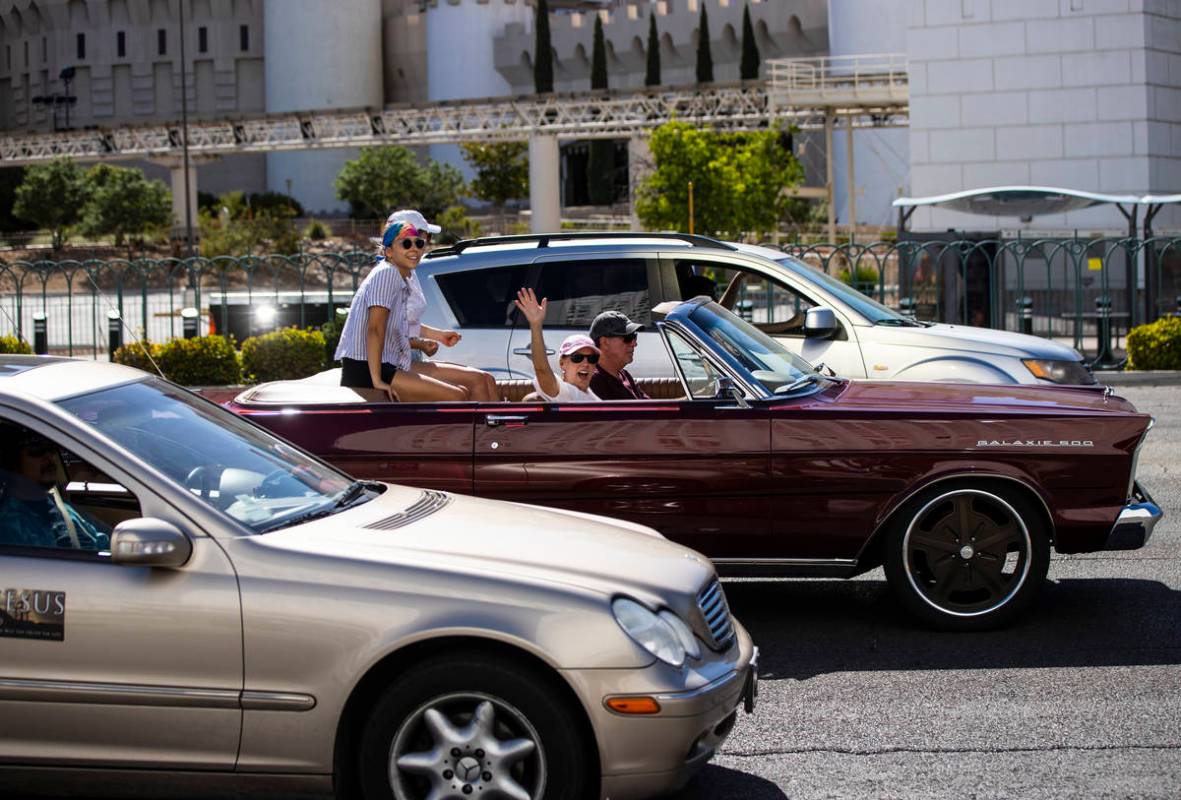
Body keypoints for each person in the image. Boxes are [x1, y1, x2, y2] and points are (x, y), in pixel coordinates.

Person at [334, 210, 489, 402]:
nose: (415, 248)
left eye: (419, 242)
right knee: (457, 396)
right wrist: (376, 380)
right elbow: (374, 328)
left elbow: (397, 325)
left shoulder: (401, 273)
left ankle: (492, 432)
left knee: (478, 383)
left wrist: (437, 336)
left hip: (386, 362)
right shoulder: (387, 274)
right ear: (389, 251)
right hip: (368, 367)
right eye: (406, 243)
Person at [387, 211, 498, 401]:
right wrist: (420, 343)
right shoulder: (389, 275)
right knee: (477, 382)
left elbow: (404, 322)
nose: (425, 244)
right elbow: (385, 330)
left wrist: (438, 335)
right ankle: (484, 431)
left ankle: (497, 431)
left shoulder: (406, 272)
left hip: (406, 360)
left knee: (486, 379)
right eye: (425, 237)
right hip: (393, 364)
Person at [0, 426, 110, 551]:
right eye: (37, 451)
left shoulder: (60, 507)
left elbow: (98, 543)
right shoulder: (8, 525)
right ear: (12, 462)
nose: (49, 458)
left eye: (51, 450)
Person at [514, 287, 601, 402]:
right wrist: (536, 325)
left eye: (592, 358)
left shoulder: (594, 399)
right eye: (577, 358)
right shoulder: (564, 392)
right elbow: (542, 370)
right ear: (562, 363)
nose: (585, 363)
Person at [588, 309, 650, 400]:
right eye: (628, 337)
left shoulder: (624, 375)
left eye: (634, 336)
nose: (634, 344)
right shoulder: (593, 382)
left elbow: (650, 407)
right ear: (604, 342)